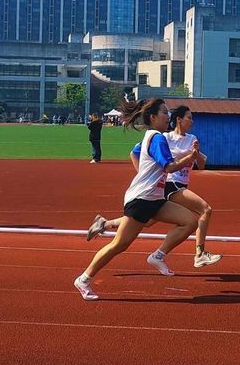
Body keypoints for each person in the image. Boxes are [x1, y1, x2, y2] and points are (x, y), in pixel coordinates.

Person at [74, 98, 199, 300]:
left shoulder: (154, 137)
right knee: (119, 244)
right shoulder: (157, 138)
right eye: (164, 113)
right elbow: (169, 167)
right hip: (142, 199)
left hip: (155, 199)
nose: (168, 116)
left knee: (190, 221)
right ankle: (84, 278)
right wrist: (189, 158)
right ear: (153, 117)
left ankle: (157, 256)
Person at [87, 105, 221, 268]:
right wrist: (143, 173)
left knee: (147, 220)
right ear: (179, 119)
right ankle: (199, 253)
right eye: (189, 118)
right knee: (205, 209)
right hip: (170, 184)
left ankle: (104, 224)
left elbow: (201, 165)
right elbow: (134, 153)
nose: (192, 121)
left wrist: (196, 153)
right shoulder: (164, 137)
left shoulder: (192, 139)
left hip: (176, 185)